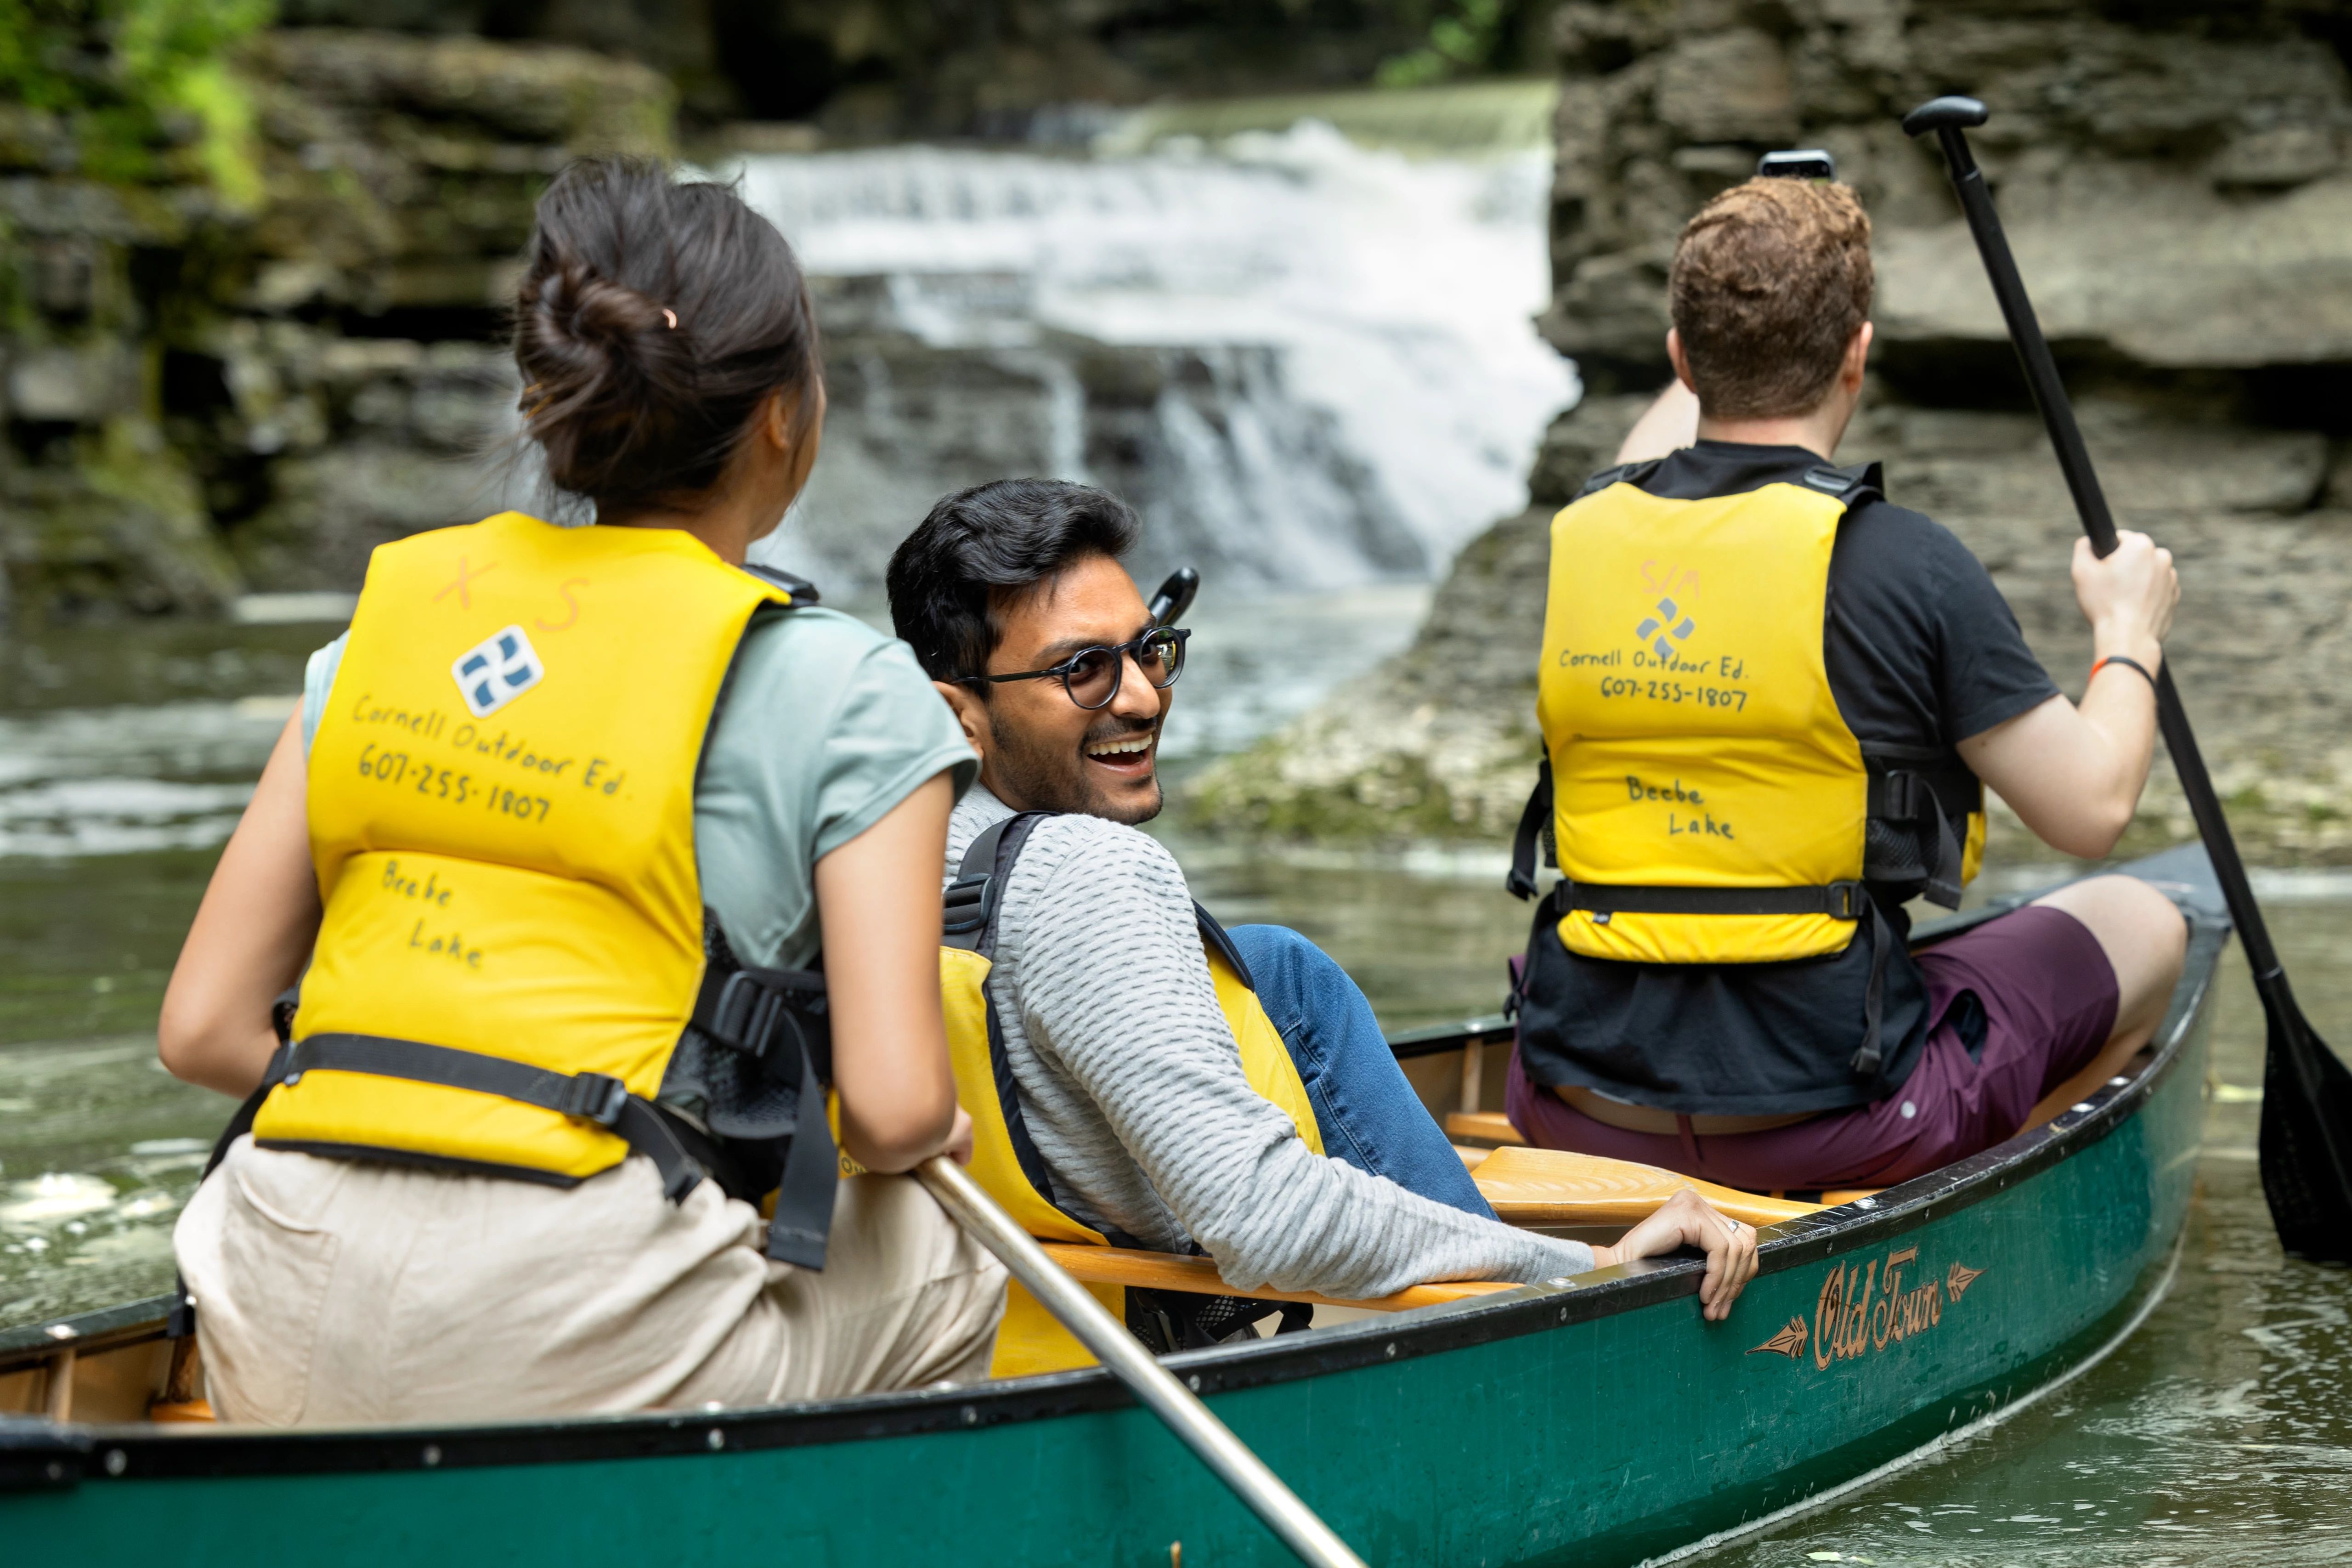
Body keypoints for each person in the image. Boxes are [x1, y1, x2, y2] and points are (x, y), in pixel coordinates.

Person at [157, 159, 1004, 1425]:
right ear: (786, 416)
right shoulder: (854, 686)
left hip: (276, 1287)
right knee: (950, 1248)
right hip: (579, 1315)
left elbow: (205, 1032)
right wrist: (931, 1144)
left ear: (556, 404)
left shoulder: (373, 647)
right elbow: (890, 1110)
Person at [887, 478, 1758, 1374]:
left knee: (1274, 967)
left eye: (1148, 651)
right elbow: (1267, 1219)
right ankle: (1522, 1335)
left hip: (987, 1299)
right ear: (961, 710)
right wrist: (1575, 1266)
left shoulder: (877, 845)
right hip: (1132, 1328)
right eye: (1083, 670)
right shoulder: (1096, 877)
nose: (1144, 699)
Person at [1504, 175, 2186, 1193]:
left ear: (1680, 361)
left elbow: (1647, 450)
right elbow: (2090, 810)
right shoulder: (1906, 562)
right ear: (1856, 358)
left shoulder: (1590, 532)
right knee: (2148, 921)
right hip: (1834, 1120)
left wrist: (1733, 287)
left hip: (1572, 1106)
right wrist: (2126, 628)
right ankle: (1959, 1193)